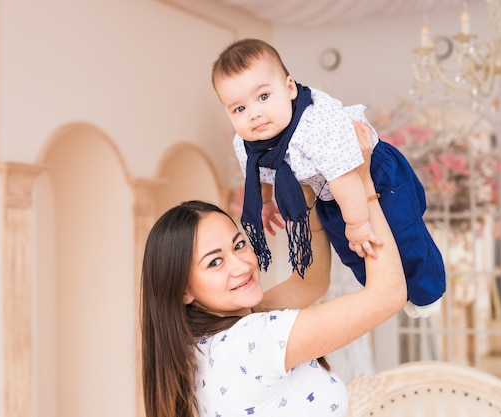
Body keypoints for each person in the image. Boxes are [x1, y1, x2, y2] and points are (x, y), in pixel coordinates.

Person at [140, 122, 407, 417]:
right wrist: (361, 181)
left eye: (239, 245)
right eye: (215, 262)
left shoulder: (202, 346)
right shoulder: (252, 341)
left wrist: (304, 185)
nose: (242, 265)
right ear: (184, 291)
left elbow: (310, 284)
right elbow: (388, 295)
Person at [211, 38, 445, 317]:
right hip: (328, 192)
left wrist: (357, 224)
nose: (254, 114)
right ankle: (399, 293)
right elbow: (259, 174)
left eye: (263, 97)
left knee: (403, 234)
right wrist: (267, 202)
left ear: (288, 89)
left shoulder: (315, 125)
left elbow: (346, 178)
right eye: (239, 108)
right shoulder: (245, 143)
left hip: (370, 172)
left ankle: (428, 291)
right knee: (353, 251)